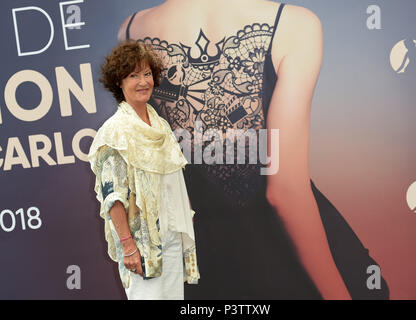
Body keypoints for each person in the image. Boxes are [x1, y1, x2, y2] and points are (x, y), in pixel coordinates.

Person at [119, 0, 390, 299]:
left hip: (206, 259)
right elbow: (284, 191)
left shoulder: (131, 32)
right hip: (289, 255)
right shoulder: (295, 23)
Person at [88, 40, 200, 300]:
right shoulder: (114, 132)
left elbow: (172, 176)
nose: (143, 82)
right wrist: (128, 246)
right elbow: (112, 196)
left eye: (147, 74)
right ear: (119, 82)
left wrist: (184, 210)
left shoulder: (159, 124)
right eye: (133, 75)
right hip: (142, 245)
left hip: (171, 236)